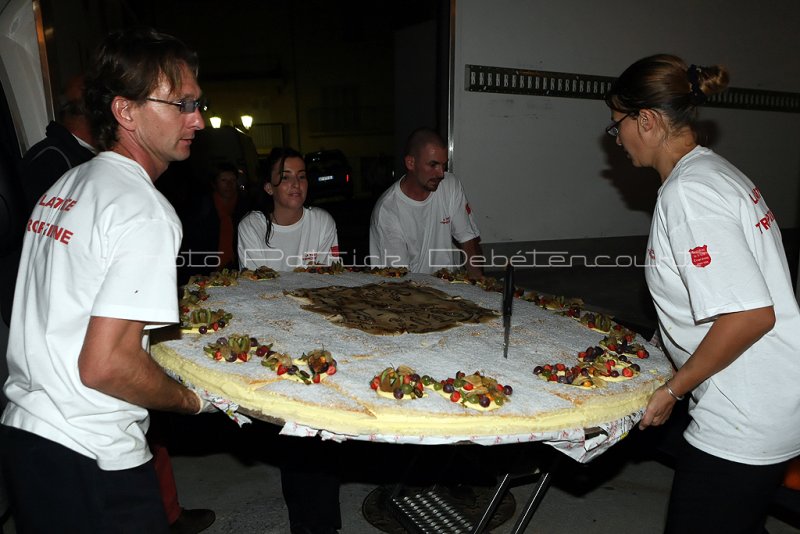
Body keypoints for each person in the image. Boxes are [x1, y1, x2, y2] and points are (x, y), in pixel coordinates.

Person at [0, 27, 217, 533]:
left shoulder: (67, 186)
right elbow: (105, 365)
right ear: (126, 111)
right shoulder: (143, 211)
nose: (198, 120)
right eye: (181, 104)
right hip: (91, 452)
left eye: (198, 103)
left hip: (27, 438)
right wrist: (192, 399)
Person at [605, 54, 800, 533]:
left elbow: (750, 316)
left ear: (645, 121)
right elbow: (707, 295)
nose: (616, 140)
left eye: (617, 126)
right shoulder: (712, 172)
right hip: (770, 397)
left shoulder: (689, 193)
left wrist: (672, 390)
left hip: (743, 415)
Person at [369, 127, 483, 278]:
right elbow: (398, 282)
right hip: (411, 294)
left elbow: (468, 239)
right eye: (433, 165)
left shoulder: (450, 185)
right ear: (410, 163)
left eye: (443, 165)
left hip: (451, 287)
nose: (441, 173)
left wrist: (480, 285)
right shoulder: (388, 210)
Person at [238, 147, 339, 271]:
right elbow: (257, 283)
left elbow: (330, 278)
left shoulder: (322, 222)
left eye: (301, 176)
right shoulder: (252, 226)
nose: (296, 184)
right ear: (269, 187)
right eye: (285, 177)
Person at [180, 161, 248, 280]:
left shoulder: (244, 208)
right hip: (206, 271)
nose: (229, 184)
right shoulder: (201, 208)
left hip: (235, 270)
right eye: (224, 180)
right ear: (214, 183)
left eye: (232, 180)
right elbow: (192, 244)